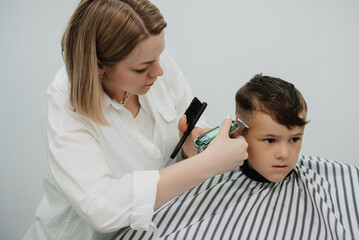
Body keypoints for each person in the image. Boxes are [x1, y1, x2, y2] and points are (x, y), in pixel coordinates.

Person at [23, 1, 249, 239]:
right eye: (142, 69)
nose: (159, 72)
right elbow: (102, 208)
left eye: (160, 56)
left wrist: (190, 143)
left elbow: (183, 123)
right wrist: (207, 165)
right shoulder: (66, 110)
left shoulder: (149, 59)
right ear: (99, 65)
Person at [114, 74, 359, 239]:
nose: (285, 153)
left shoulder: (333, 182)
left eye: (294, 139)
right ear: (239, 131)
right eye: (270, 140)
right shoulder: (208, 180)